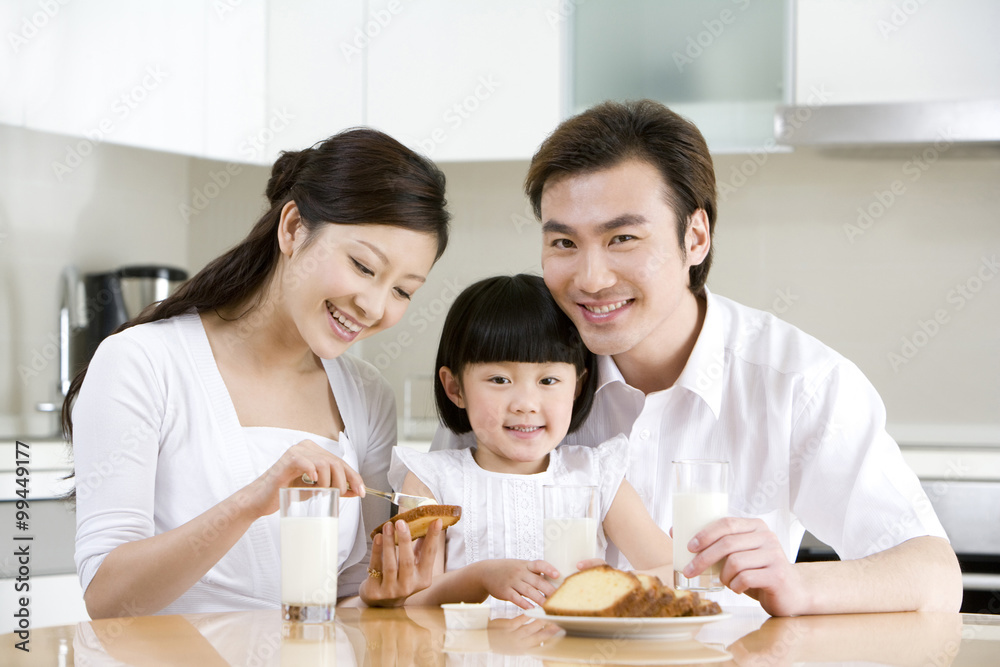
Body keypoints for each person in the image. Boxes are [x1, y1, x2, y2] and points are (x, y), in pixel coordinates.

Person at [433, 100, 963, 615]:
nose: (590, 279)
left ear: (696, 237)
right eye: (564, 244)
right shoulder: (511, 368)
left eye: (622, 238)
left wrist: (798, 584)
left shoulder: (798, 382)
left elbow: (933, 576)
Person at [68, 128, 449, 618]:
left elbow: (350, 597)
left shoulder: (366, 396)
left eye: (403, 291)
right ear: (292, 229)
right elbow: (108, 598)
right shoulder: (143, 362)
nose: (374, 306)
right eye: (362, 265)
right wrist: (255, 499)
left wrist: (390, 591)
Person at [392, 274, 674, 612]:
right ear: (455, 388)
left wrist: (613, 584)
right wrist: (479, 578)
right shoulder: (431, 480)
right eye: (499, 379)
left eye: (549, 380)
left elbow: (674, 571)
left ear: (577, 387)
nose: (526, 403)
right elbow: (408, 601)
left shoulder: (596, 476)